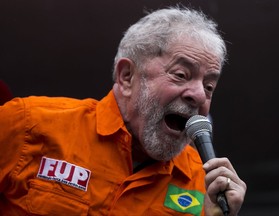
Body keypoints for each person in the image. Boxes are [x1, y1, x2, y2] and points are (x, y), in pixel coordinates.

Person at [0, 6, 246, 216]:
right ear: (127, 76)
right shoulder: (26, 123)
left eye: (209, 86)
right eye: (181, 75)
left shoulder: (202, 184)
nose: (200, 95)